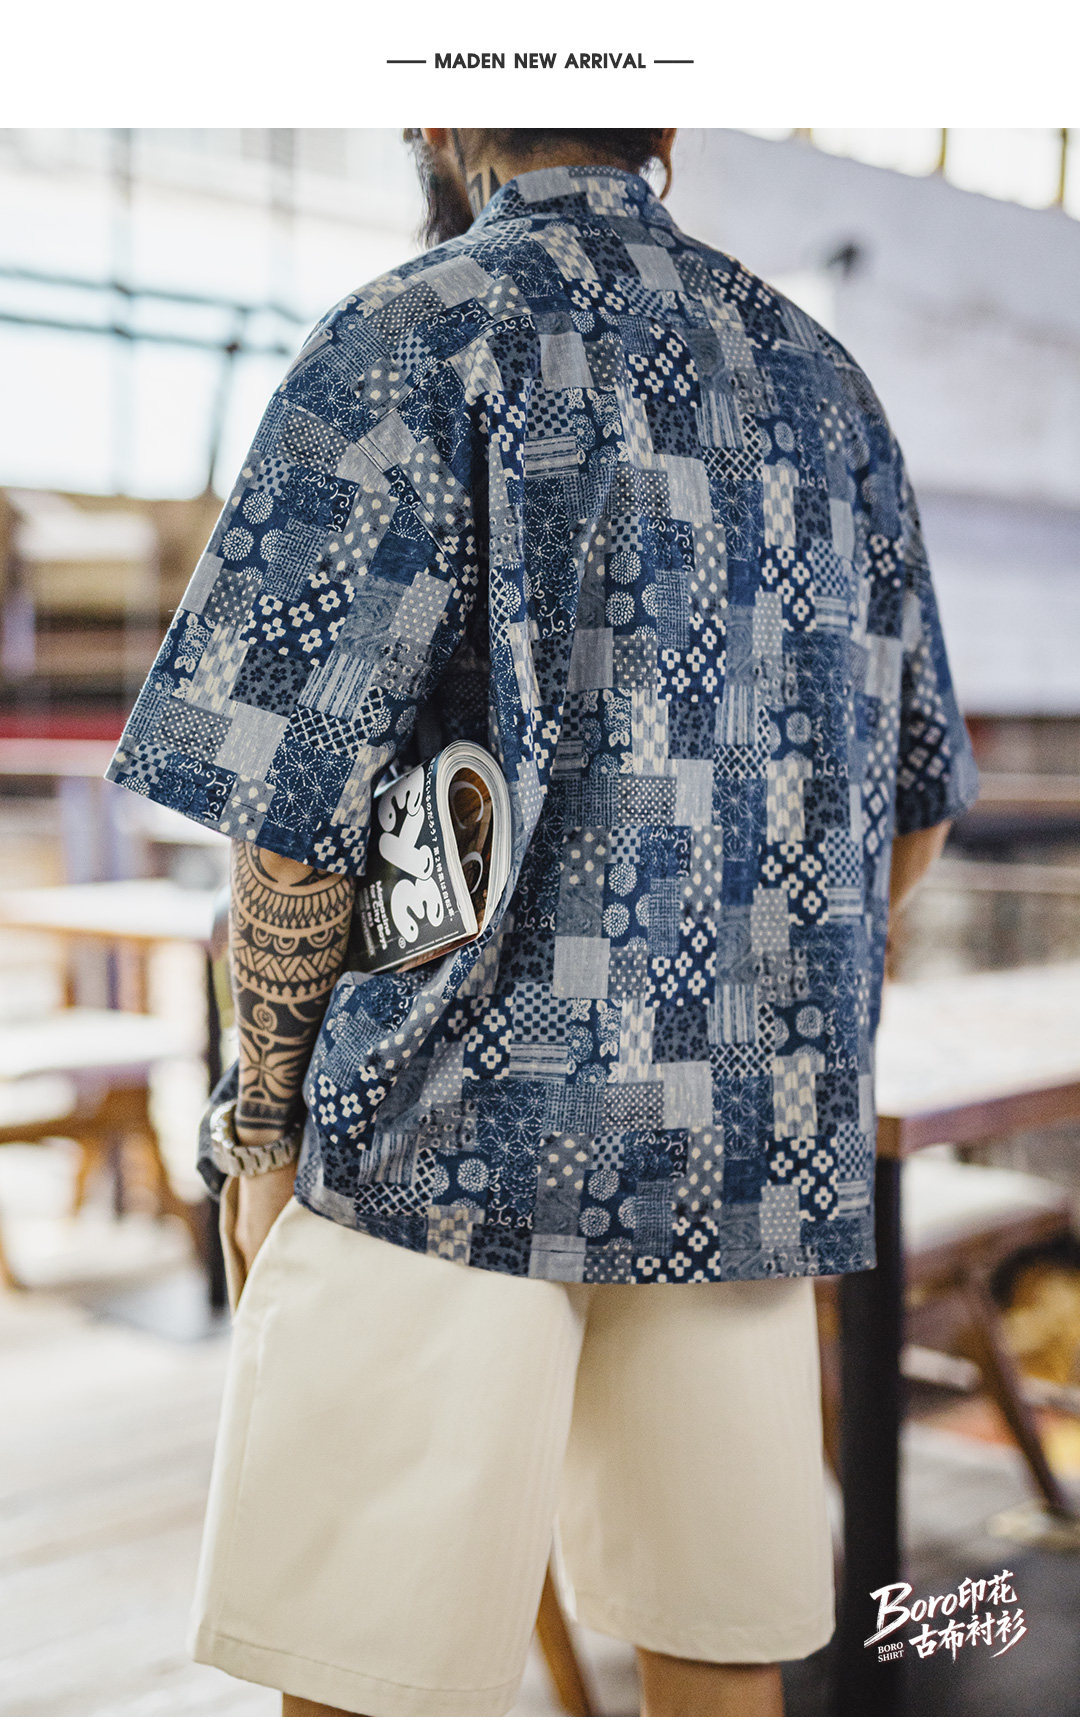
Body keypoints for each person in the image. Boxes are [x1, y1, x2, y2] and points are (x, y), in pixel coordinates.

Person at [105, 127, 980, 1717]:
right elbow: (912, 810)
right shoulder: (822, 384)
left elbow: (289, 817)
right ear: (667, 131)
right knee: (717, 1655)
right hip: (735, 1150)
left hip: (440, 1139)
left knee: (363, 1677)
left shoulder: (407, 338)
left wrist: (261, 1130)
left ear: (445, 126)